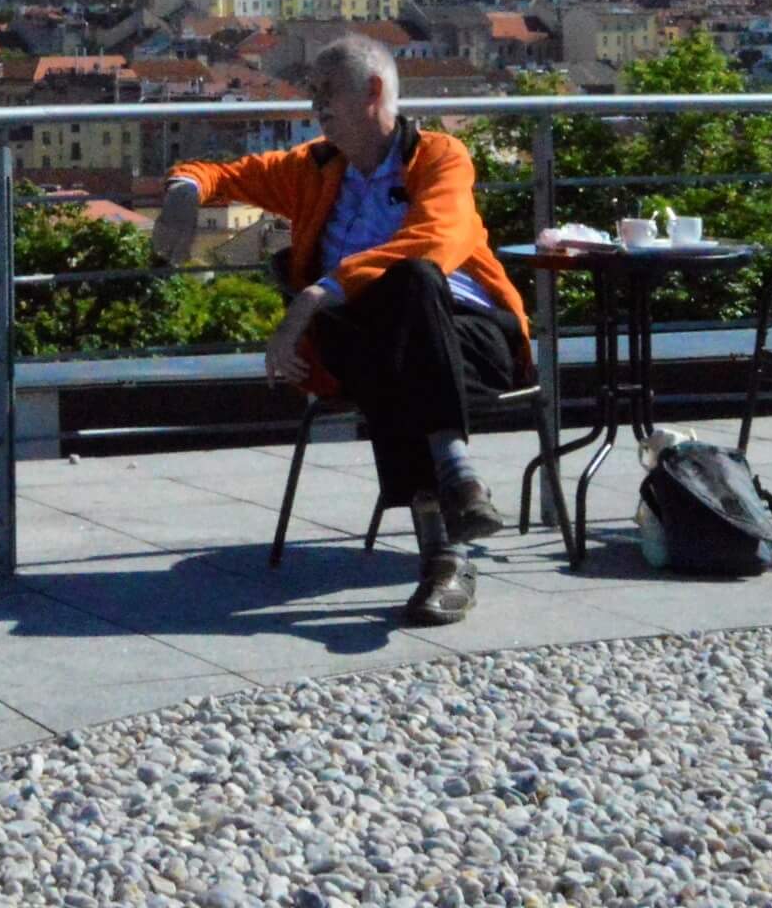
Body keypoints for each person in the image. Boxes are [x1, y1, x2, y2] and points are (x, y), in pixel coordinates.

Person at [151, 34, 531, 624]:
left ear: (374, 92)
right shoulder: (311, 169)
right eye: (312, 95)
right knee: (390, 334)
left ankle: (442, 547)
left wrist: (318, 294)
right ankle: (455, 481)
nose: (315, 107)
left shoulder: (439, 156)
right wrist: (183, 190)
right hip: (369, 347)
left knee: (412, 284)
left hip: (469, 338)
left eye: (327, 93)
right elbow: (220, 173)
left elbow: (437, 240)